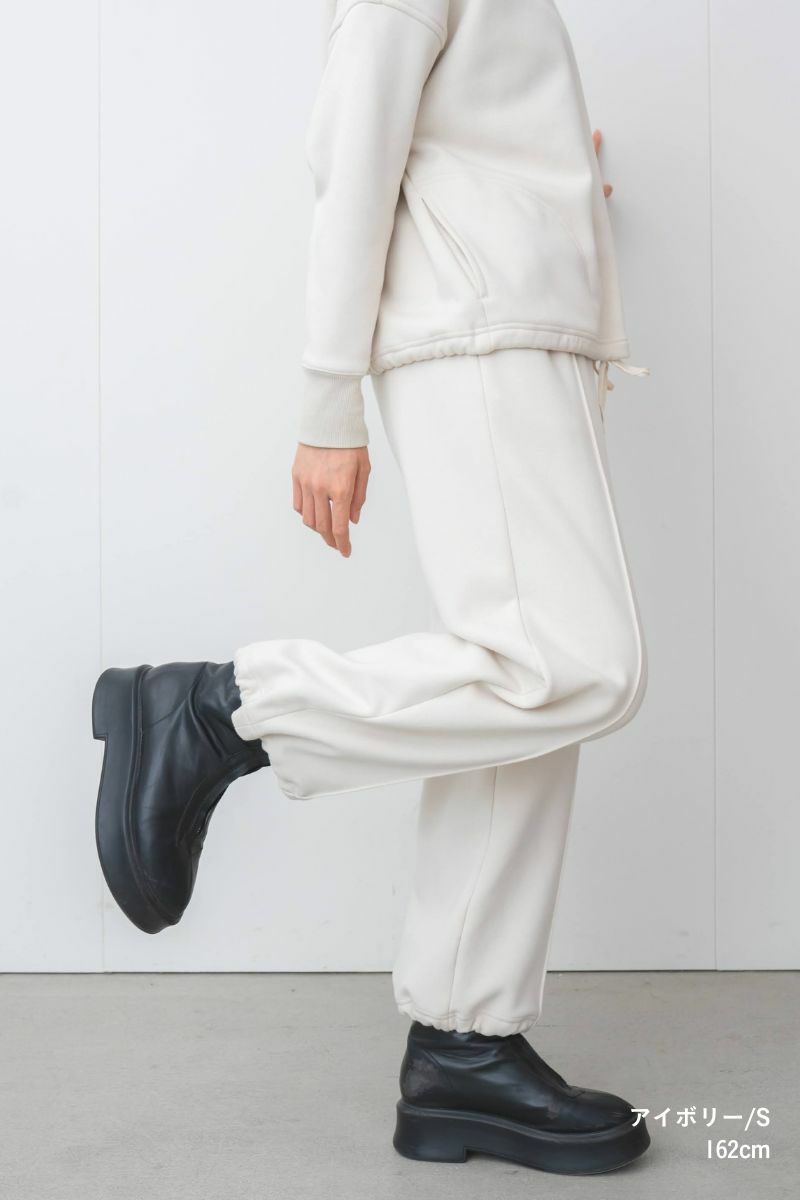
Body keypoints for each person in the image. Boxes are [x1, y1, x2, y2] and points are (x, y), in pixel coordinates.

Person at [92, 0, 653, 1176]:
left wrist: (551, 203)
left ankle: (463, 1043)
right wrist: (325, 402)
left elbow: (461, 132)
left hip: (517, 331)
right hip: (478, 336)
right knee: (569, 666)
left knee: (516, 700)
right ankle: (222, 710)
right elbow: (352, 159)